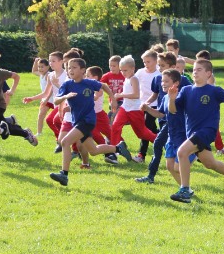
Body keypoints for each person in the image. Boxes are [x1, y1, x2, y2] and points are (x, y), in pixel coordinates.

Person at [168, 59, 224, 203]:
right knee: (209, 163)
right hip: (192, 133)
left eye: (199, 69)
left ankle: (185, 190)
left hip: (207, 131)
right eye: (194, 70)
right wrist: (171, 99)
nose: (195, 72)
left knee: (182, 152)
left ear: (208, 74)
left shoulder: (214, 90)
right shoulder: (186, 90)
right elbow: (173, 110)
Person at [48, 58, 129, 186]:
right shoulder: (67, 85)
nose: (71, 70)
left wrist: (113, 99)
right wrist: (65, 96)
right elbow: (56, 100)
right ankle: (118, 148)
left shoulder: (89, 83)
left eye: (74, 67)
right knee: (93, 150)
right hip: (77, 121)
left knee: (65, 142)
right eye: (69, 68)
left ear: (83, 70)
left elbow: (104, 86)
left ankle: (64, 174)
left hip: (88, 120)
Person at [137, 52, 192, 183]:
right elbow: (156, 96)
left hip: (177, 121)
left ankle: (151, 175)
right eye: (159, 65)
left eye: (163, 65)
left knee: (159, 144)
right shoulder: (158, 79)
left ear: (172, 66)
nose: (160, 68)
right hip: (164, 117)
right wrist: (147, 104)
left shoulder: (183, 80)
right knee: (165, 149)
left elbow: (190, 95)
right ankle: (183, 184)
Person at [110, 55, 157, 157]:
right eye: (121, 70)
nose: (123, 73)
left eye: (125, 70)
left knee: (141, 133)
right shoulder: (127, 78)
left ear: (133, 68)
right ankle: (114, 151)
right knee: (115, 126)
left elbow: (136, 95)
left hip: (135, 109)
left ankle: (160, 141)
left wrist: (121, 95)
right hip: (125, 108)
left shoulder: (134, 79)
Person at [134, 50, 161, 162]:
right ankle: (162, 138)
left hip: (154, 105)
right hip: (141, 104)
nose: (146, 64)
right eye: (144, 62)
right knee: (150, 128)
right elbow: (132, 83)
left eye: (148, 62)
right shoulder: (140, 72)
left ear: (156, 61)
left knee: (146, 127)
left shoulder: (159, 74)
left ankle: (141, 154)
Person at [21, 57, 53, 137]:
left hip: (53, 99)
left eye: (42, 67)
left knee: (59, 117)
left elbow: (51, 90)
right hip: (45, 99)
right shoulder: (41, 74)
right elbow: (34, 71)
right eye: (39, 67)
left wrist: (46, 99)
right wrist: (35, 62)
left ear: (48, 67)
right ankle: (39, 133)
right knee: (41, 115)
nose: (40, 69)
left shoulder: (48, 76)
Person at [101, 55, 125, 124]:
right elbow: (99, 84)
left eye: (114, 66)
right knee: (115, 119)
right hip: (112, 100)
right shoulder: (107, 75)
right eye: (110, 66)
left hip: (123, 100)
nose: (111, 68)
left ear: (120, 66)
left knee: (113, 116)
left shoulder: (124, 75)